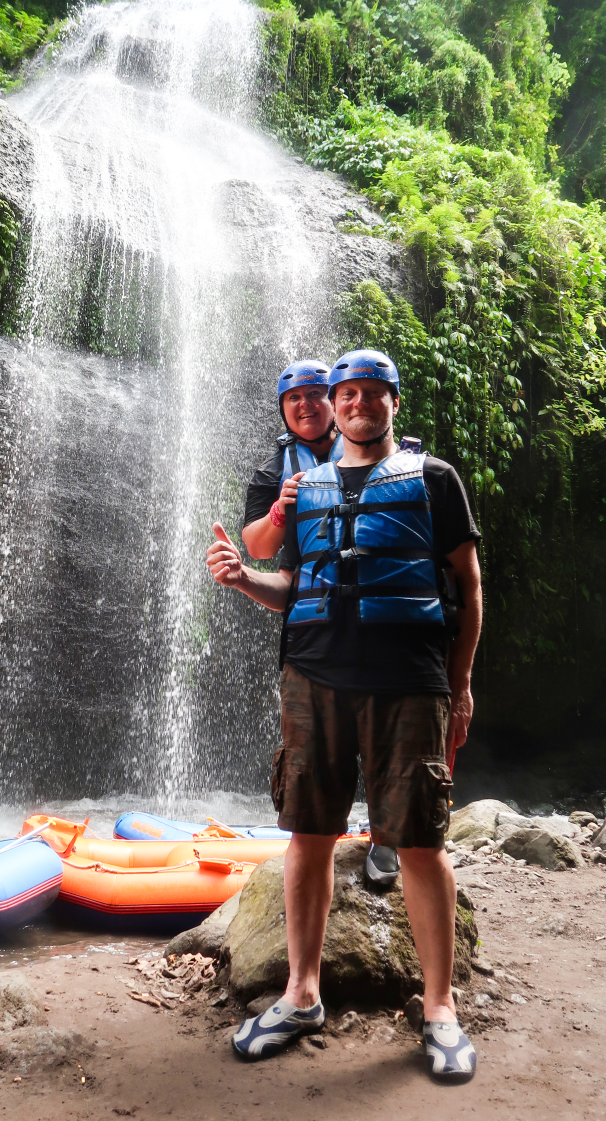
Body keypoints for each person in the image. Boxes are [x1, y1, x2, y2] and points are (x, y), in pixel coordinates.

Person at [206, 348, 482, 1081]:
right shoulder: (305, 489)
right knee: (308, 834)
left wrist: (460, 684)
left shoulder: (435, 479)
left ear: (393, 400)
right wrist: (243, 580)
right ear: (333, 404)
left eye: (371, 392)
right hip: (314, 677)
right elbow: (294, 587)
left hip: (410, 682)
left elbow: (469, 586)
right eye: (346, 393)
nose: (358, 403)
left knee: (419, 841)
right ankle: (301, 994)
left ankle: (439, 1006)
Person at [242, 359, 401, 889]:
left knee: (388, 743)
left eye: (315, 395)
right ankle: (318, 843)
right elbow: (257, 547)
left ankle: (387, 835)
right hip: (316, 629)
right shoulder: (275, 470)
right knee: (318, 753)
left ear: (332, 402)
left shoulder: (374, 449)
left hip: (384, 623)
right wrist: (282, 510)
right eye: (294, 399)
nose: (306, 405)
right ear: (283, 410)